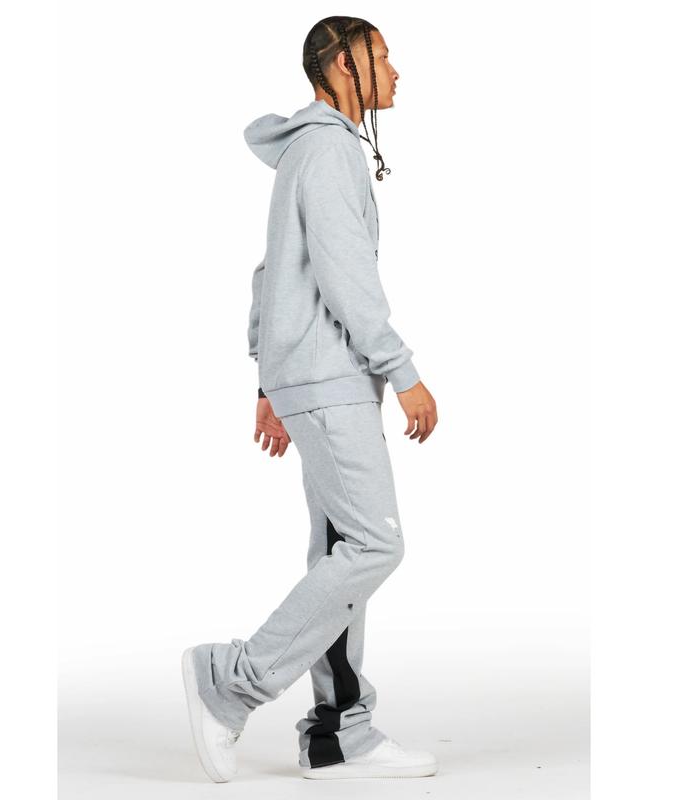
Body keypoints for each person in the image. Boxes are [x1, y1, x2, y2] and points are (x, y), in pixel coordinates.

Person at [181, 16, 439, 783]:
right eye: (382, 56)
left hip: (314, 380)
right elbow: (343, 272)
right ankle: (230, 681)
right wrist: (402, 371)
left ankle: (337, 735)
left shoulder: (310, 150)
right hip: (332, 382)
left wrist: (268, 380)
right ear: (343, 65)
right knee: (375, 544)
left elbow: (271, 272)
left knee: (339, 551)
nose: (396, 70)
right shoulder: (327, 150)